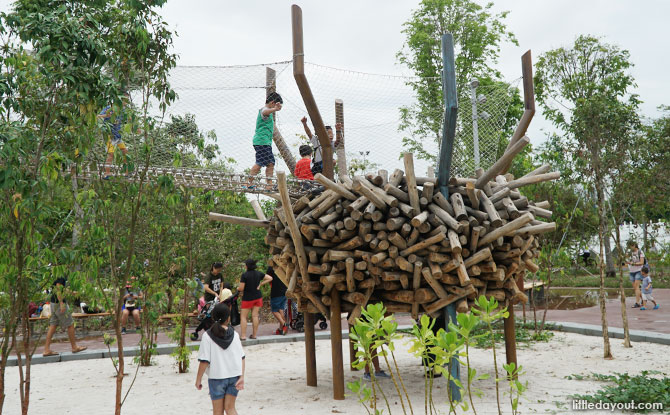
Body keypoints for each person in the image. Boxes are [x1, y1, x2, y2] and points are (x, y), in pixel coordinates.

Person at [195, 303, 245, 415]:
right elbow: (242, 357)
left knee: (217, 411)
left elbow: (204, 361)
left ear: (213, 317)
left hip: (216, 377)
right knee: (230, 408)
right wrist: (241, 376)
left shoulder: (208, 336)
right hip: (234, 376)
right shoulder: (235, 335)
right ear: (228, 318)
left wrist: (198, 379)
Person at [42, 275, 87, 356]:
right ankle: (74, 347)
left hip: (53, 302)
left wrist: (71, 292)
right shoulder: (60, 273)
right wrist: (61, 303)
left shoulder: (55, 271)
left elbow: (60, 288)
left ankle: (46, 349)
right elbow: (58, 288)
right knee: (70, 324)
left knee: (53, 325)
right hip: (59, 303)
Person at [247, 92, 283, 190]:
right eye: (276, 105)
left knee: (270, 163)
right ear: (272, 102)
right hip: (262, 142)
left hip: (264, 142)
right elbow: (265, 112)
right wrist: (275, 109)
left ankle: (268, 184)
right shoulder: (264, 110)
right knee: (261, 162)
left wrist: (275, 108)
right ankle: (249, 183)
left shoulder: (268, 111)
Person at [238, 259, 272, 340]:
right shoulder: (258, 273)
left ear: (247, 266)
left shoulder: (244, 275)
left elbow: (241, 288)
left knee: (243, 317)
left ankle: (243, 336)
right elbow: (270, 278)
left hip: (247, 298)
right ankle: (254, 335)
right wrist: (261, 284)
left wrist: (238, 288)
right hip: (258, 297)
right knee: (255, 315)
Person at [98, 93, 131, 179]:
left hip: (118, 136)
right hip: (109, 135)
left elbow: (127, 120)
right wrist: (106, 115)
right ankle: (107, 173)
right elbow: (98, 116)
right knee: (110, 154)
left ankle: (127, 173)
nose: (126, 102)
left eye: (127, 100)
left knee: (125, 152)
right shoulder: (110, 108)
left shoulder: (123, 111)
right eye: (125, 100)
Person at [267, 264, 288, 335]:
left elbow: (268, 277)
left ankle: (284, 324)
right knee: (281, 310)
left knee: (274, 311)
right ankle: (281, 329)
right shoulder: (284, 265)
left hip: (276, 292)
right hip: (284, 291)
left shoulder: (271, 267)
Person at [625, 241, 645, 308]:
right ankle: (644, 299)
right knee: (635, 288)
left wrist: (633, 264)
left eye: (631, 246)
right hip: (631, 271)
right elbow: (626, 260)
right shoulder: (630, 253)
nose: (630, 247)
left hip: (639, 271)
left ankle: (637, 303)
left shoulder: (640, 252)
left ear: (634, 245)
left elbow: (642, 262)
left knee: (636, 287)